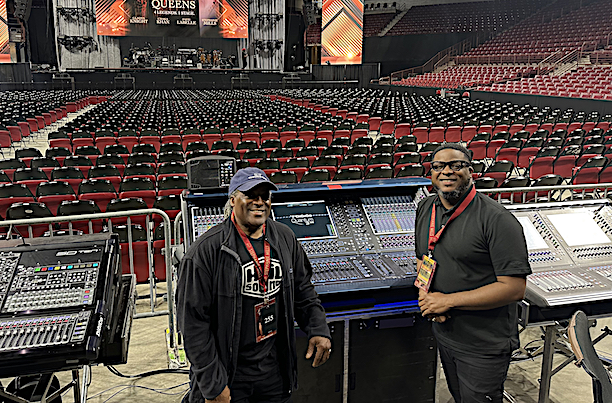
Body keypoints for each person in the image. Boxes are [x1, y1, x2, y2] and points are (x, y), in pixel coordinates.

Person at [177, 167, 332, 403]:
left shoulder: (285, 238)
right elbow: (193, 324)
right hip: (230, 374)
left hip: (273, 371)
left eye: (264, 196)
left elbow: (303, 291)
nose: (259, 202)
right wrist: (213, 385)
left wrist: (318, 328)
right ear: (232, 200)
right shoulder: (205, 251)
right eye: (250, 195)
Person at [415, 143, 531, 403]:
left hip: (483, 343)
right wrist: (428, 299)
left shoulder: (497, 219)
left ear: (471, 171)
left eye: (456, 165)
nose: (447, 171)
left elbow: (513, 288)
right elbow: (424, 259)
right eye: (438, 166)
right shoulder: (426, 208)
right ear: (431, 173)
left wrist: (447, 301)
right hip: (445, 332)